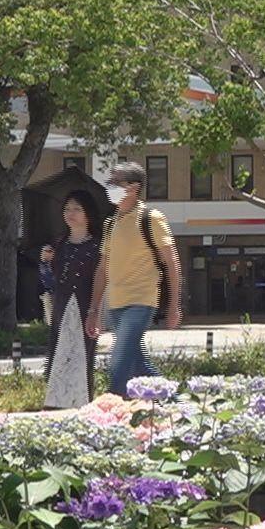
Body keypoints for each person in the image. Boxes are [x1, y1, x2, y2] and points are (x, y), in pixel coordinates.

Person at [89, 161, 182, 397]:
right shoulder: (111, 224)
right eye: (109, 183)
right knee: (138, 364)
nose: (109, 187)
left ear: (134, 187)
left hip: (141, 301)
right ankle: (177, 402)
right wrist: (94, 310)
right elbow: (102, 269)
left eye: (115, 183)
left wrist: (173, 306)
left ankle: (111, 406)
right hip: (115, 305)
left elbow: (172, 263)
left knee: (119, 362)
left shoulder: (151, 218)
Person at [40, 191, 102, 409]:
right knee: (60, 351)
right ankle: (57, 401)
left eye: (76, 209)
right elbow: (50, 281)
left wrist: (96, 311)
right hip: (63, 306)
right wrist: (46, 263)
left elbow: (101, 279)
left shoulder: (97, 246)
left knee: (83, 353)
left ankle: (83, 400)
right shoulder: (60, 245)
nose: (70, 214)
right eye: (67, 209)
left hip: (85, 306)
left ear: (88, 214)